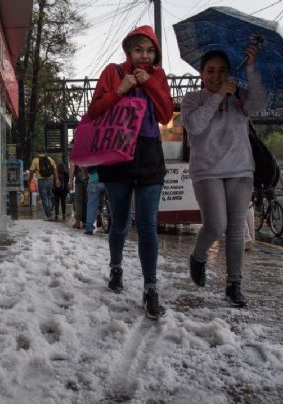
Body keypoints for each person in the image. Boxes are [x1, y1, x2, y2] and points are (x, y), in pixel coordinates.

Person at [87, 25, 173, 319]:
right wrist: (120, 89)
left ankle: (151, 289)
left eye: (150, 51)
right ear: (128, 51)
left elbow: (165, 114)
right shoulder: (112, 72)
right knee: (121, 222)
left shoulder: (158, 76)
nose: (144, 55)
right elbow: (94, 111)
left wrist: (149, 84)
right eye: (139, 50)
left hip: (149, 154)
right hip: (117, 153)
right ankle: (116, 267)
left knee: (148, 224)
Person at [181, 46, 266, 308]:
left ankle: (234, 284)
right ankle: (198, 257)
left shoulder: (239, 97)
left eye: (222, 71)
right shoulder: (192, 99)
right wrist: (217, 96)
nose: (216, 76)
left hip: (240, 169)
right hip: (207, 171)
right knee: (216, 225)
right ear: (201, 73)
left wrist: (251, 69)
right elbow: (194, 125)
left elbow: (259, 105)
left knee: (236, 228)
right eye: (210, 71)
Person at [29, 147, 60, 221]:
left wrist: (30, 180)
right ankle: (50, 212)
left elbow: (31, 171)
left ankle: (49, 214)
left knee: (44, 198)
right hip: (50, 181)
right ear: (44, 152)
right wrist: (57, 180)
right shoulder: (50, 159)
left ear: (37, 153)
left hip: (41, 181)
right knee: (49, 197)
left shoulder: (35, 160)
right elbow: (55, 170)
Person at [84, 166, 105, 235]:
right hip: (107, 180)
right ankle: (115, 227)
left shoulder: (91, 154)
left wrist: (85, 174)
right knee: (112, 204)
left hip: (93, 180)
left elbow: (84, 166)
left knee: (92, 205)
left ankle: (89, 228)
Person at [68, 161, 88, 229]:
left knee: (79, 200)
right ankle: (86, 221)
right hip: (90, 174)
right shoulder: (90, 149)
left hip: (80, 174)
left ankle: (78, 222)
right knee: (87, 199)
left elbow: (72, 164)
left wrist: (70, 180)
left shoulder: (76, 150)